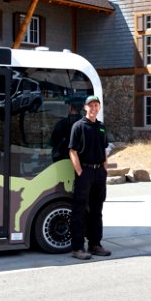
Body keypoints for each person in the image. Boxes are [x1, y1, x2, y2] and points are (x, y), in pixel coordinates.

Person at [68, 95, 112, 260]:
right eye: (91, 105)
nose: (94, 108)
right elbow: (72, 151)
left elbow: (105, 150)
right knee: (79, 210)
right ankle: (77, 248)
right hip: (85, 172)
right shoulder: (78, 126)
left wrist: (104, 170)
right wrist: (80, 171)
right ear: (85, 108)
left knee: (97, 210)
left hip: (99, 172)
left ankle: (95, 245)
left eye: (96, 105)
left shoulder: (101, 127)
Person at [50, 97, 84, 162]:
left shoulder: (61, 124)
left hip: (63, 161)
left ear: (70, 107)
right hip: (82, 162)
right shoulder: (88, 124)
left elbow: (53, 142)